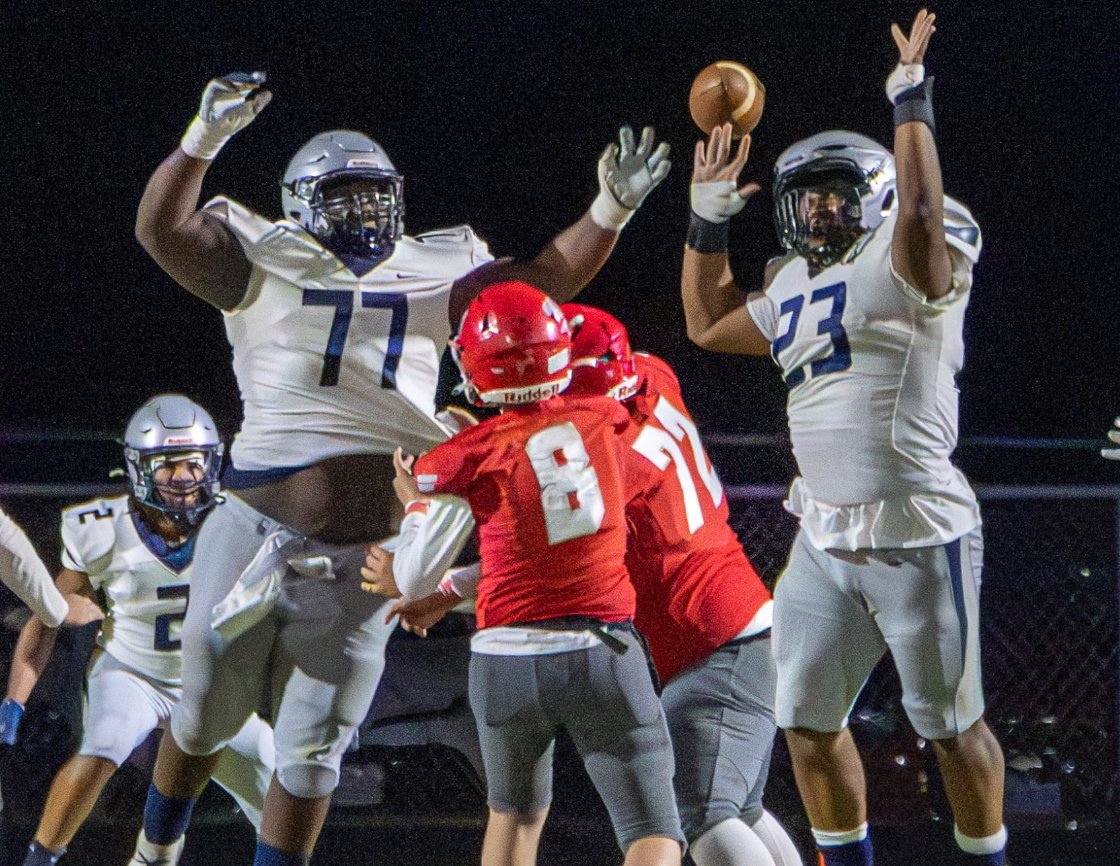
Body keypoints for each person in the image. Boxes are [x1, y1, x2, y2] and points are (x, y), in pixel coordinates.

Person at [132, 70, 671, 866]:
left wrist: (609, 212)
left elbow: (542, 284)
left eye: (374, 196)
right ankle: (154, 852)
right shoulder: (263, 260)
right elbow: (161, 229)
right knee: (204, 711)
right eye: (343, 197)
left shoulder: (439, 268)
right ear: (301, 204)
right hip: (253, 529)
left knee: (314, 751)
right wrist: (201, 141)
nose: (363, 212)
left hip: (371, 558)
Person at [678, 10, 1007, 866]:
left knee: (950, 726)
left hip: (917, 530)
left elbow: (923, 218)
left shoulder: (910, 251)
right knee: (806, 720)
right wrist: (707, 218)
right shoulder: (794, 279)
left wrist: (910, 102)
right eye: (807, 197)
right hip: (823, 534)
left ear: (878, 196)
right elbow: (708, 321)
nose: (819, 209)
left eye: (836, 193)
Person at [377, 304, 802, 866]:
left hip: (713, 644)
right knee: (732, 806)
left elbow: (550, 570)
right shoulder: (651, 377)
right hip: (735, 623)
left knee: (701, 813)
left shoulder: (607, 458)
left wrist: (447, 584)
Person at [408, 281, 684, 866]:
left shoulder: (471, 449)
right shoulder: (607, 418)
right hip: (602, 651)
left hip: (503, 658)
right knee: (652, 829)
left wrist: (417, 510)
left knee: (513, 819)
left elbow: (460, 504)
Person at [3, 394, 274, 866]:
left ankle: (154, 857)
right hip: (130, 671)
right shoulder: (102, 529)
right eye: (168, 464)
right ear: (139, 468)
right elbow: (47, 617)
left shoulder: (238, 521)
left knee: (280, 780)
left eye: (193, 462)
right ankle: (38, 860)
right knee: (104, 745)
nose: (184, 476)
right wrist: (14, 701)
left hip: (208, 682)